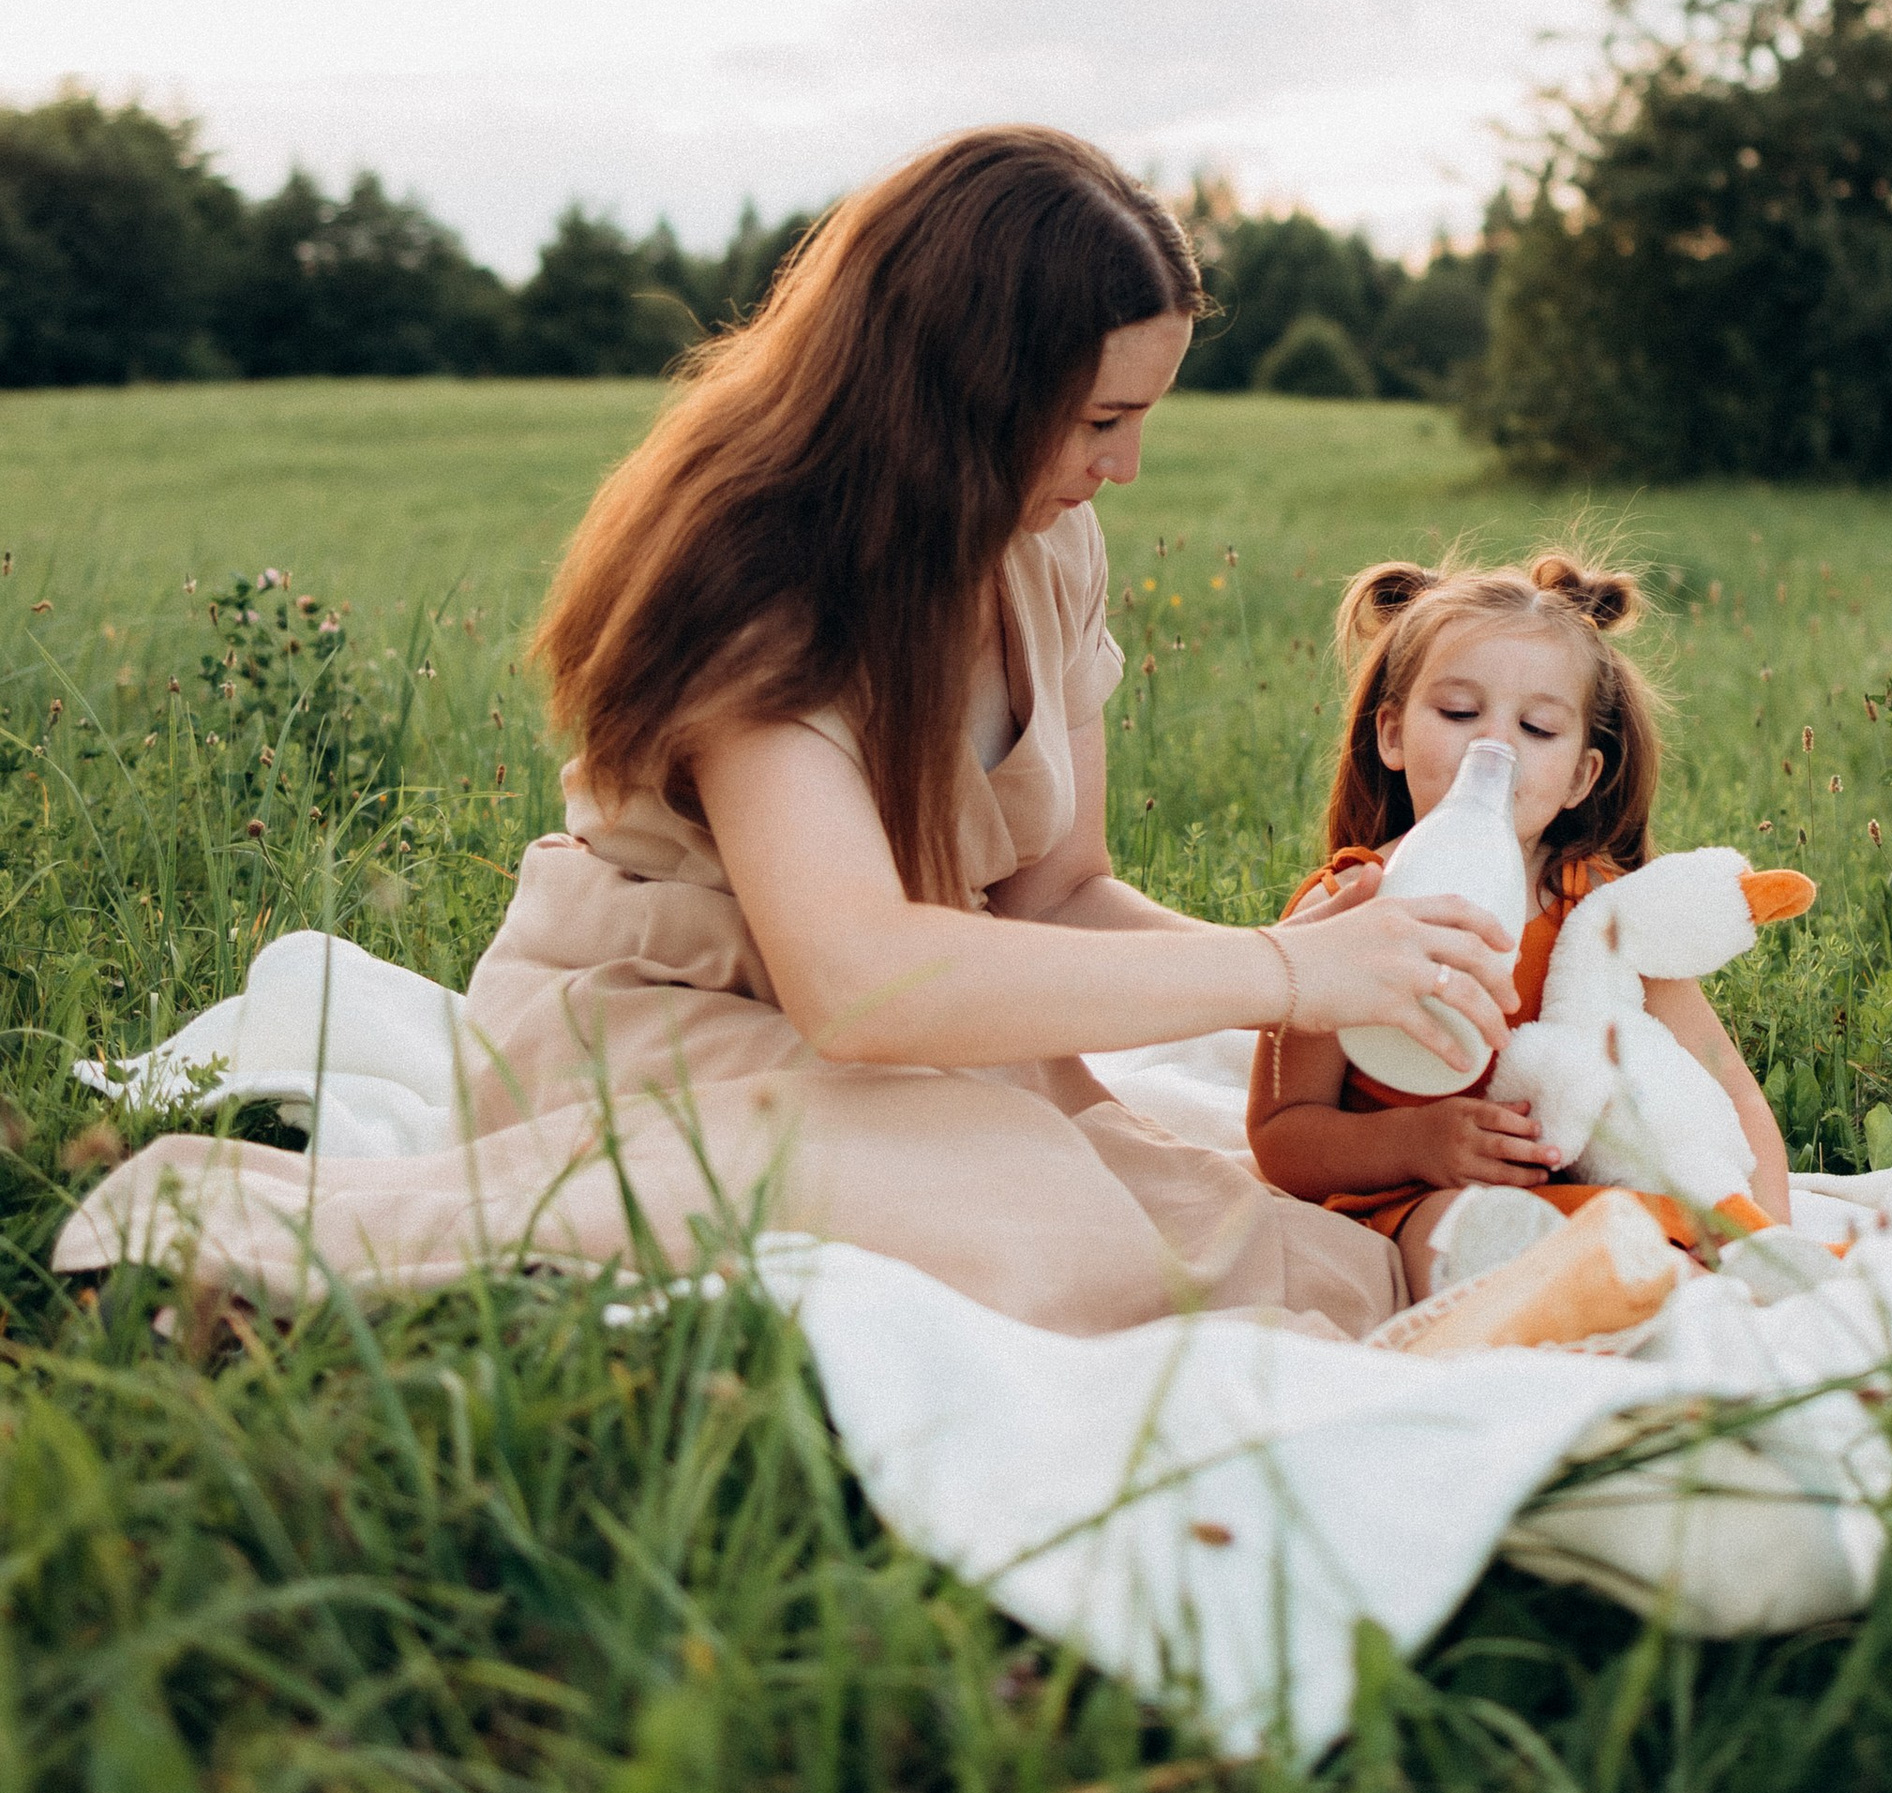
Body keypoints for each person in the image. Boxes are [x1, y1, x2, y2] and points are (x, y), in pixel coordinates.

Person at [61, 128, 1637, 1342]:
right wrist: (1288, 975)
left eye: (1143, 415)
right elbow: (862, 978)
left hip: (927, 1029)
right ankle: (283, 1238)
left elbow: (1054, 896)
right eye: (1099, 421)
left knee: (1267, 1233)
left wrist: (1333, 948)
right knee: (1053, 1225)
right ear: (959, 392)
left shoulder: (1043, 539)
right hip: (662, 1029)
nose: (1128, 468)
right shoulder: (761, 572)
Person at [1246, 554, 1793, 1316]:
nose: (1491, 748)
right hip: (1418, 1195)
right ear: (1393, 734)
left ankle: (1662, 1299)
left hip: (1598, 1186)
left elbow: (1724, 1085)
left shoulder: (1603, 910)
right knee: (1464, 1236)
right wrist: (1415, 1145)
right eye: (1459, 714)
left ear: (1580, 776)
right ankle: (1555, 1314)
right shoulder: (1352, 906)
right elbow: (1280, 1134)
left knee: (1658, 1237)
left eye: (1537, 727)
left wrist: (1765, 1236)